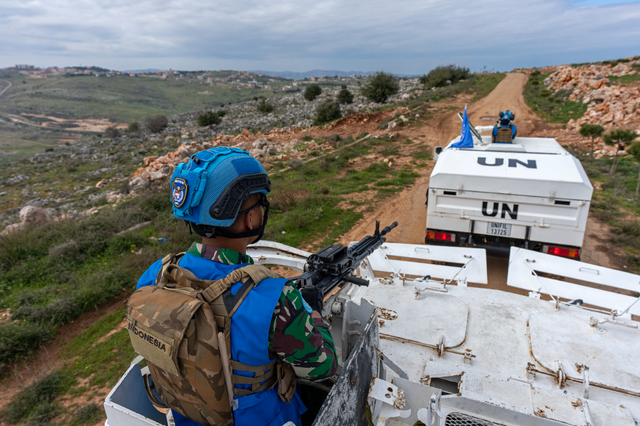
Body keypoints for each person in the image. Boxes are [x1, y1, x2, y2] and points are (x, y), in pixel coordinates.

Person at [136, 147, 338, 426]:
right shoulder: (274, 298)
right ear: (249, 218)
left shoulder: (154, 275)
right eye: (259, 202)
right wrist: (314, 316)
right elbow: (323, 367)